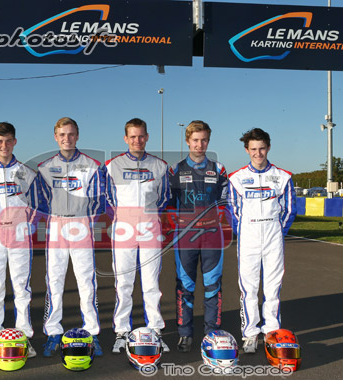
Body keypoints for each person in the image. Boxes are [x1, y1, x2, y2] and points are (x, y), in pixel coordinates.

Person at [36, 117, 105, 357]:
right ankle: (53, 331)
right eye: (62, 134)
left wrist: (86, 222)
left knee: (86, 282)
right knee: (54, 281)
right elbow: (41, 201)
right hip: (56, 226)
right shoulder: (45, 167)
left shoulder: (92, 165)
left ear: (77, 136)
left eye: (71, 134)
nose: (67, 138)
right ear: (56, 137)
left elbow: (98, 200)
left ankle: (92, 332)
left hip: (81, 225)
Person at [103, 118, 171, 354]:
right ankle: (122, 330)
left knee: (151, 283)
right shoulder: (112, 165)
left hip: (150, 227)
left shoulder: (160, 166)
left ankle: (155, 329)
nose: (137, 140)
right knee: (124, 282)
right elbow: (108, 197)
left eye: (141, 136)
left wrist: (148, 215)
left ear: (147, 137)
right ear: (126, 138)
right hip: (124, 228)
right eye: (133, 136)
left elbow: (164, 196)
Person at [227, 128, 296, 354]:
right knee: (248, 287)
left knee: (273, 286)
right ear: (247, 150)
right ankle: (250, 333)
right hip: (248, 235)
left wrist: (278, 230)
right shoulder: (236, 178)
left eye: (262, 148)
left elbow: (289, 209)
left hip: (273, 234)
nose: (258, 153)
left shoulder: (283, 176)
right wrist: (244, 231)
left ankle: (272, 331)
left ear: (269, 147)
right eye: (254, 149)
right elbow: (232, 210)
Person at [0, 122, 39, 359]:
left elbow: (37, 205)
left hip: (20, 238)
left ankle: (24, 336)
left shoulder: (27, 173)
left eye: (8, 140)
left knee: (22, 287)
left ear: (15, 142)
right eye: (0, 141)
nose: (4, 145)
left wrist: (26, 226)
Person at [168, 121, 228, 352]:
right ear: (187, 141)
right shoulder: (175, 170)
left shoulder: (219, 169)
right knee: (185, 285)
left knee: (213, 285)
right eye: (195, 140)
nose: (199, 145)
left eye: (204, 140)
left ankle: (212, 332)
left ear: (208, 141)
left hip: (212, 235)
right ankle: (185, 333)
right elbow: (169, 203)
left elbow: (225, 200)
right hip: (186, 236)